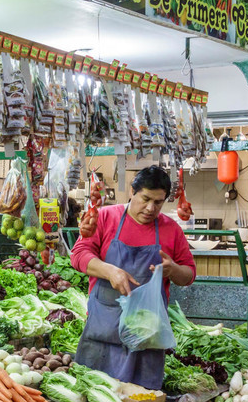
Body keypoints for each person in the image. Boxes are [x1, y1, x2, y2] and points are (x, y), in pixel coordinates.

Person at [71, 166, 196, 388]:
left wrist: (173, 269)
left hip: (146, 337)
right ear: (132, 191)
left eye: (158, 202)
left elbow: (189, 274)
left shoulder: (171, 229)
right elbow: (79, 255)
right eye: (145, 199)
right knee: (94, 396)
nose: (150, 208)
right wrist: (110, 271)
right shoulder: (106, 217)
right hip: (103, 330)